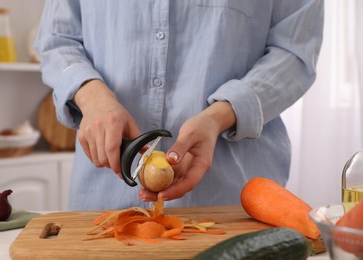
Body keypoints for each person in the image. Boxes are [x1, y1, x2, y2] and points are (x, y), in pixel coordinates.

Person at [35, 0, 324, 210]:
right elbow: (57, 39)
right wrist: (92, 95)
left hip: (234, 203)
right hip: (101, 201)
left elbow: (294, 53)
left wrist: (219, 116)